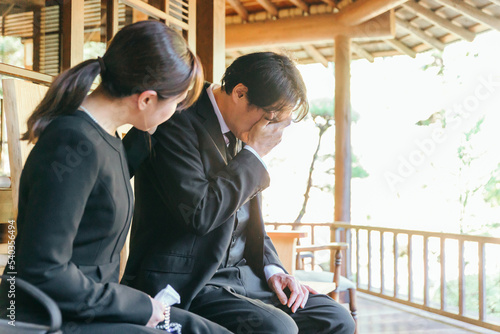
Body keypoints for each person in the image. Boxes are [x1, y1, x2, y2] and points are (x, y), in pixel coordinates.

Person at [0, 20, 231, 334]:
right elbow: (44, 270)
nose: (176, 112)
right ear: (146, 99)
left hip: (90, 307)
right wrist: (139, 306)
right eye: (176, 103)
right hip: (49, 315)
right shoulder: (73, 143)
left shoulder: (105, 138)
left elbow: (115, 176)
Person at [123, 52, 356, 333]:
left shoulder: (244, 131)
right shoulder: (177, 118)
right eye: (270, 119)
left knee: (335, 318)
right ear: (240, 93)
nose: (270, 131)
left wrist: (275, 270)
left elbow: (247, 218)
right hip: (192, 281)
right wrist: (254, 153)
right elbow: (199, 215)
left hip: (244, 277)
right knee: (280, 329)